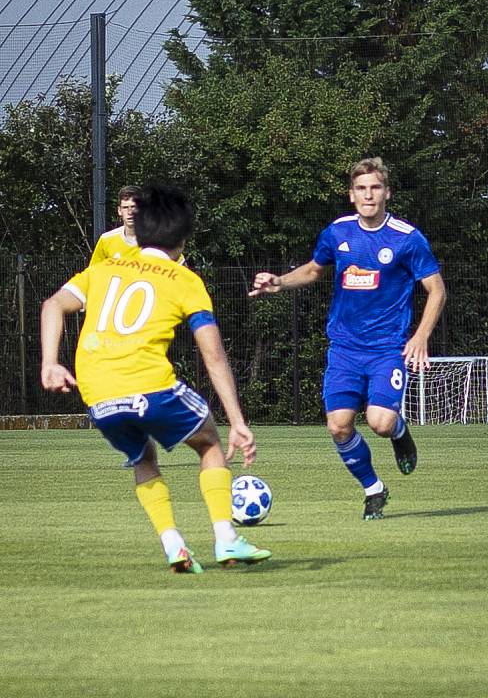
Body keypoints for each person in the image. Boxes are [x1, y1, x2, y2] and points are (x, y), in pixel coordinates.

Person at [41, 184, 271, 573]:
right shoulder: (185, 280)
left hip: (97, 394)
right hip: (150, 386)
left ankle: (173, 545)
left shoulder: (101, 269)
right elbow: (212, 354)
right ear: (182, 238)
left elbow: (52, 305)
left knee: (142, 456)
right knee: (210, 442)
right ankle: (227, 540)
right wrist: (238, 421)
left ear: (140, 230)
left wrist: (50, 363)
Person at [250, 156, 446, 521]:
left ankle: (399, 431)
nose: (368, 194)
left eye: (375, 187)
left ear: (386, 192)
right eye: (361, 188)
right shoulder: (337, 232)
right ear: (351, 195)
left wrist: (420, 337)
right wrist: (278, 282)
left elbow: (436, 290)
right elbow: (313, 270)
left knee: (380, 423)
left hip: (387, 348)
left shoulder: (406, 239)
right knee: (338, 425)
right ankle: (374, 490)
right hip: (344, 349)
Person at [90, 185, 185, 266]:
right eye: (125, 207)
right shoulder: (106, 240)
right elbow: (93, 273)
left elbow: (181, 268)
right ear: (119, 210)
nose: (130, 212)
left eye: (133, 207)